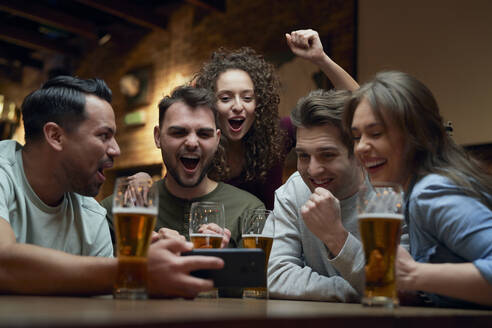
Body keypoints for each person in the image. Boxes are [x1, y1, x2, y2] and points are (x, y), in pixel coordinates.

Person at [0, 76, 223, 298]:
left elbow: (105, 303)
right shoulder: (4, 172)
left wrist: (163, 269)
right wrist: (135, 271)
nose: (116, 150)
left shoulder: (92, 215)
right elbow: (4, 265)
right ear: (55, 136)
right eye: (104, 136)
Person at [345, 70, 492, 308]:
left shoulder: (431, 192)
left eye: (375, 133)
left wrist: (414, 275)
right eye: (356, 136)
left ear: (416, 134)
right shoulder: (416, 190)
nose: (361, 147)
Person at [102, 86, 265, 249]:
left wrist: (223, 260)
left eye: (204, 134)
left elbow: (259, 273)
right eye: (179, 132)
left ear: (217, 140)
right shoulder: (118, 210)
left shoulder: (248, 210)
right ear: (158, 137)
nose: (192, 143)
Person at [266, 88, 369, 302]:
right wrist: (358, 291)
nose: (312, 170)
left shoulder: (390, 193)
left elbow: (403, 286)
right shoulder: (292, 192)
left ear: (358, 153)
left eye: (327, 155)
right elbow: (274, 275)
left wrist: (336, 236)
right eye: (303, 156)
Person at [193, 47, 289, 210]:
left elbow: (348, 113)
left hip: (268, 236)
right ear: (209, 104)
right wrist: (143, 179)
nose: (238, 106)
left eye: (247, 98)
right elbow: (171, 187)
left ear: (258, 103)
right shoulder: (198, 149)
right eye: (225, 98)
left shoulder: (277, 134)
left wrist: (321, 58)